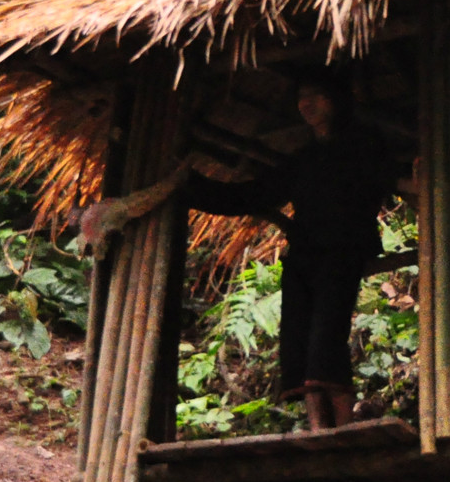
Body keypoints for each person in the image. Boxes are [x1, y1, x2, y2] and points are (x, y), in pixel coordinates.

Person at [79, 75, 411, 430]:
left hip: (343, 250)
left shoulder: (363, 147)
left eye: (316, 94)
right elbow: (251, 196)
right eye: (302, 96)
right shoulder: (302, 159)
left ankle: (342, 427)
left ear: (336, 100)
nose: (306, 103)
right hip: (303, 254)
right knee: (296, 335)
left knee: (326, 334)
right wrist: (190, 186)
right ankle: (318, 428)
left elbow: (393, 178)